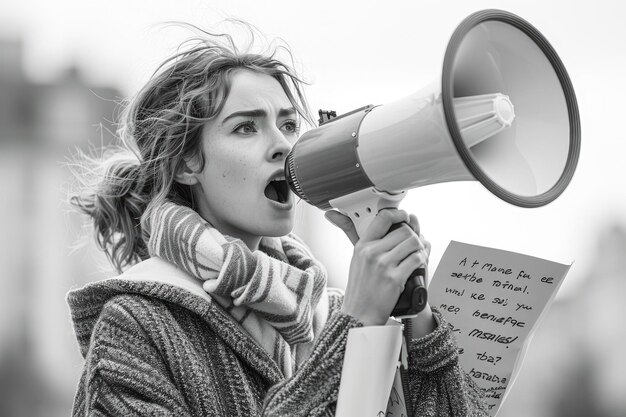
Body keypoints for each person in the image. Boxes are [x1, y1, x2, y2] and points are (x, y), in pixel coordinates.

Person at [67, 23, 488, 416]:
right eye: (246, 128)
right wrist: (355, 325)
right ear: (186, 163)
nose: (282, 146)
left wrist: (416, 318)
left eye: (288, 124)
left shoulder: (328, 311)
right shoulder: (135, 327)